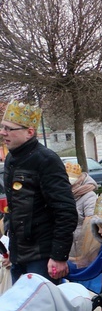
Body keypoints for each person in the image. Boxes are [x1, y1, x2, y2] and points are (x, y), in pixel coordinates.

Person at [2, 100, 77, 283]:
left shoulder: (46, 160)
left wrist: (59, 256)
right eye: (2, 127)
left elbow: (65, 211)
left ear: (29, 132)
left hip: (42, 256)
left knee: (41, 310)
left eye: (10, 129)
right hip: (20, 255)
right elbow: (16, 209)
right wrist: (13, 247)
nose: (3, 132)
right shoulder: (11, 158)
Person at [67, 162, 99, 259]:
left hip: (83, 246)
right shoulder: (64, 195)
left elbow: (91, 221)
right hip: (68, 244)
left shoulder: (89, 196)